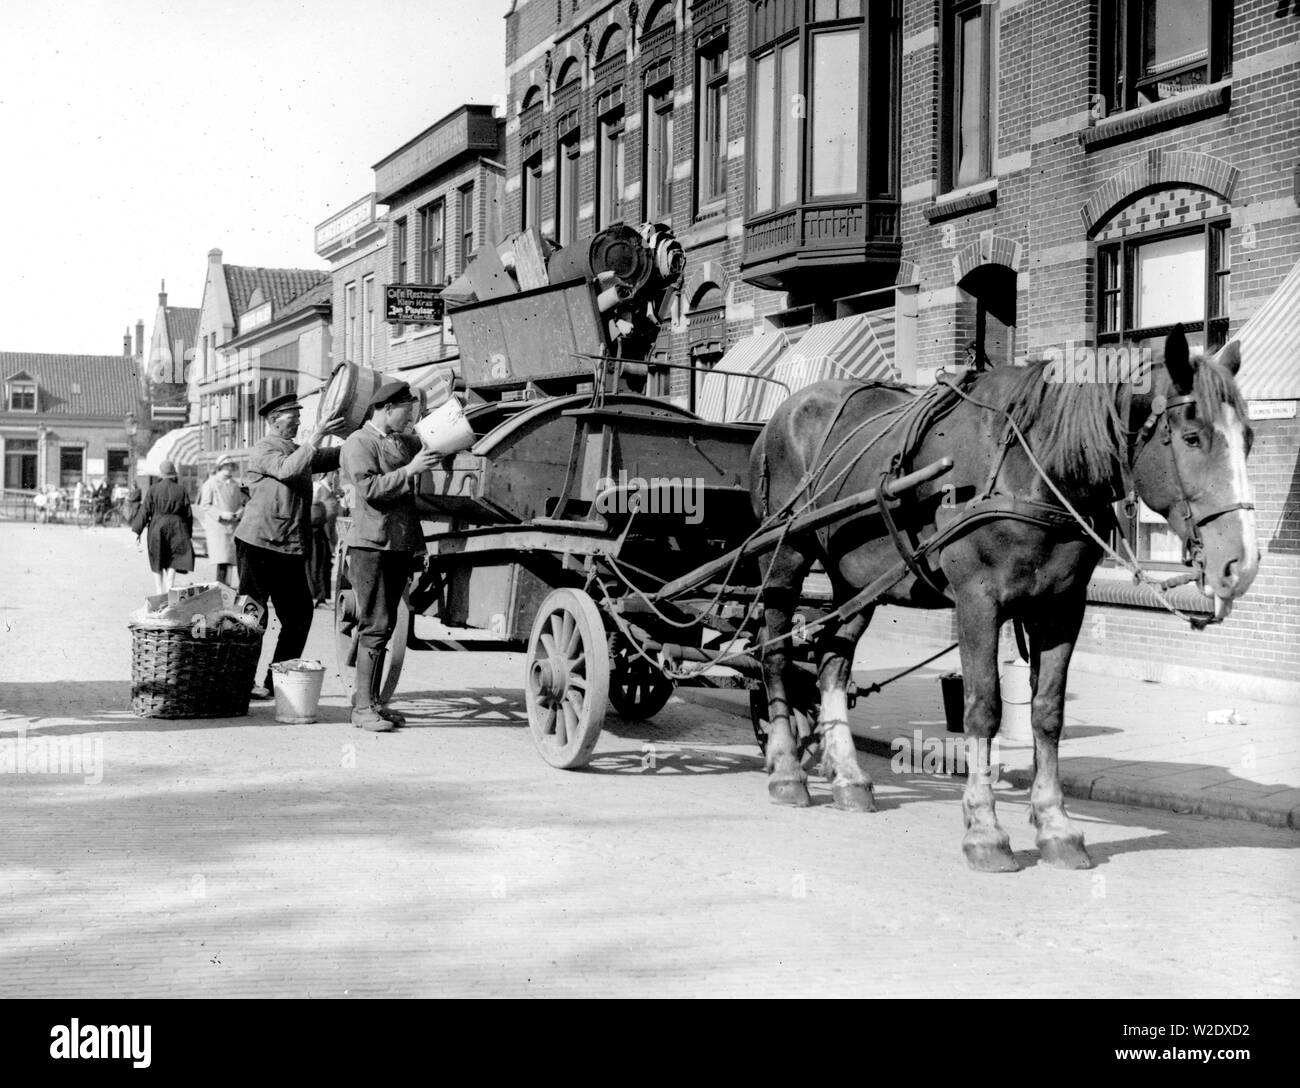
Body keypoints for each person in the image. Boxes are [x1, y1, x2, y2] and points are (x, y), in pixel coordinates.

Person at [339, 380, 438, 731]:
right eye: (405, 413)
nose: (409, 420)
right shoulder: (358, 443)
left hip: (397, 545)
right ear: (384, 409)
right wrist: (410, 471)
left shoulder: (399, 442)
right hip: (371, 545)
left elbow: (410, 499)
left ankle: (373, 703)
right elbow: (369, 490)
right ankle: (362, 708)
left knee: (387, 624)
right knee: (376, 624)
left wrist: (419, 545)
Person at [234, 394, 346, 698]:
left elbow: (326, 457)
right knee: (252, 616)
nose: (298, 423)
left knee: (299, 617)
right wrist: (318, 435)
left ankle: (275, 682)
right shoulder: (264, 448)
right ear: (273, 421)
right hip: (259, 544)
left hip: (287, 547)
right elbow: (287, 469)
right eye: (292, 418)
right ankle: (239, 683)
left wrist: (358, 440)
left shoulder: (298, 450)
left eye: (299, 418)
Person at [130, 460, 194, 594]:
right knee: (174, 557)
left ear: (161, 474)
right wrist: (188, 533)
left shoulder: (153, 489)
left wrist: (137, 531)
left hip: (157, 526)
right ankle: (170, 587)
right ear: (173, 474)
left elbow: (145, 510)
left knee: (157, 557)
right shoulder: (181, 490)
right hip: (178, 527)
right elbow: (188, 514)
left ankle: (159, 590)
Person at [196, 456, 245, 586]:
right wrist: (221, 514)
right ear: (219, 467)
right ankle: (221, 589)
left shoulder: (234, 484)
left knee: (230, 560)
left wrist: (239, 512)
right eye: (226, 466)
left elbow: (241, 503)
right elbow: (205, 505)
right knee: (222, 560)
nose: (229, 470)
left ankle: (226, 589)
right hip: (218, 528)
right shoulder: (211, 484)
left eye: (231, 467)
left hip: (233, 527)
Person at [308, 473, 340, 607]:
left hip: (327, 531)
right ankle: (317, 597)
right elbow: (313, 504)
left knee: (325, 564)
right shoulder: (318, 487)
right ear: (330, 474)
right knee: (317, 563)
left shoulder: (331, 491)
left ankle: (322, 597)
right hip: (317, 529)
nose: (337, 477)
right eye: (336, 473)